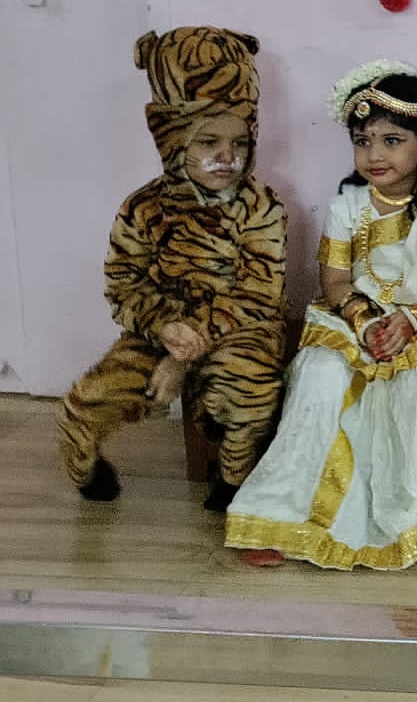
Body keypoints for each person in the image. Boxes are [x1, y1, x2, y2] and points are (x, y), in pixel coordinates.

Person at [224, 63, 417, 570]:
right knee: (320, 376)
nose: (374, 155)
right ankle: (280, 515)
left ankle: (400, 512)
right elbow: (334, 281)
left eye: (391, 141)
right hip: (350, 321)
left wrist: (409, 321)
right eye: (363, 141)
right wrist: (365, 322)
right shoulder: (348, 205)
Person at [59, 27, 286, 512]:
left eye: (239, 142)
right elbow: (123, 287)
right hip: (162, 326)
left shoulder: (261, 206)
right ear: (173, 140)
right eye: (208, 141)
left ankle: (234, 478)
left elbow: (257, 295)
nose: (226, 156)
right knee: (86, 401)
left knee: (250, 390)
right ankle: (86, 469)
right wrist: (165, 329)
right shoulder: (143, 207)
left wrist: (184, 356)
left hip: (238, 325)